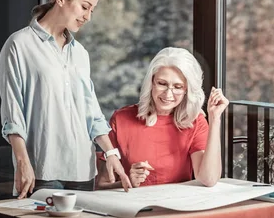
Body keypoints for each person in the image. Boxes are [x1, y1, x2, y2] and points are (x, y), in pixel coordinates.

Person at [0, 0, 131, 218]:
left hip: (81, 170)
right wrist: (22, 161)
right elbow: (12, 111)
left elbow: (90, 111)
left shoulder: (80, 54)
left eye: (92, 9)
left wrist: (110, 153)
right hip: (44, 169)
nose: (88, 16)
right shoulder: (19, 46)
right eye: (84, 6)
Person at [96, 47, 229, 189]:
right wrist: (128, 182)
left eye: (178, 86)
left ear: (187, 90)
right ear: (151, 82)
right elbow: (102, 185)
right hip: (135, 205)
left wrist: (215, 119)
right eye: (162, 84)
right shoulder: (121, 119)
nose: (168, 94)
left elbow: (208, 179)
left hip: (176, 205)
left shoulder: (195, 122)